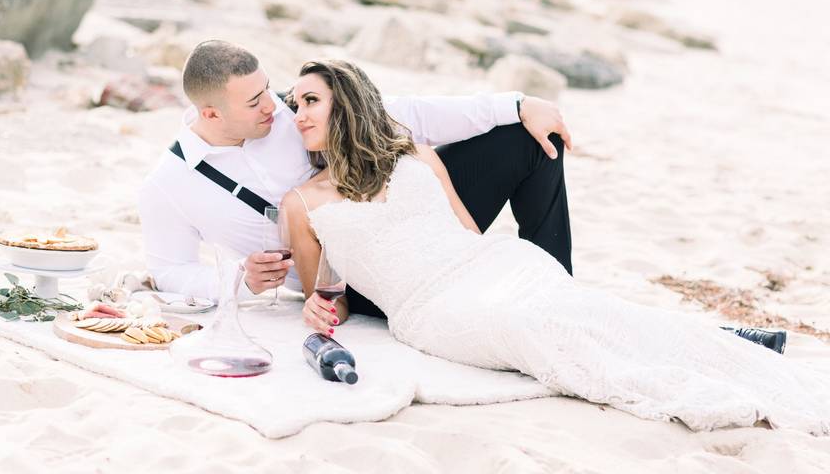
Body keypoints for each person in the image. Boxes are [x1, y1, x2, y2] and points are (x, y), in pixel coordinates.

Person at [281, 59, 827, 434]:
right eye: (293, 103)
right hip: (430, 309)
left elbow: (466, 232)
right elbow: (328, 296)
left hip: (487, 264)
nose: (298, 113)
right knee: (533, 327)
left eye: (310, 100)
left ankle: (725, 350)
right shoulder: (300, 205)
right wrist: (319, 305)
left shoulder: (416, 154)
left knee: (580, 306)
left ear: (346, 105)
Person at [138, 39, 574, 308]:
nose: (273, 105)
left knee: (528, 139)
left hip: (409, 221)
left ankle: (555, 288)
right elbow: (169, 271)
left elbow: (404, 116)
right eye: (254, 102)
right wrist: (239, 279)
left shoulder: (292, 108)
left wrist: (514, 105)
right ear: (210, 112)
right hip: (351, 282)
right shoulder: (169, 184)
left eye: (267, 88)